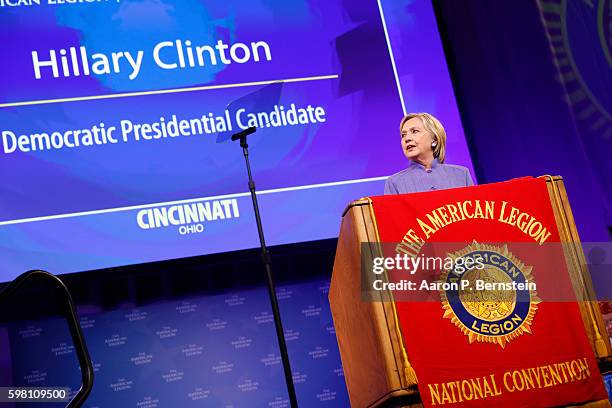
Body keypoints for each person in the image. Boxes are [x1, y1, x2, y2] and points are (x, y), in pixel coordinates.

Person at [384, 112, 474, 194]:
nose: (407, 139)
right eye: (403, 135)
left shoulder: (461, 174)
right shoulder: (394, 183)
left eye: (414, 131)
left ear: (434, 139)